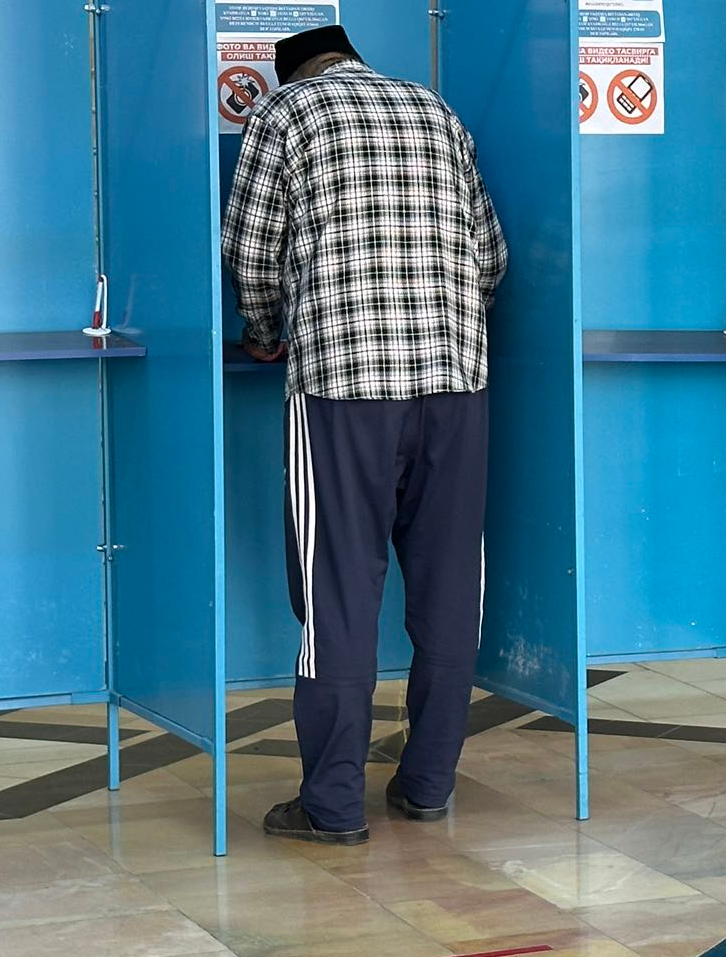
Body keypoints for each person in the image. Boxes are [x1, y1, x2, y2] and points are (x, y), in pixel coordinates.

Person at [220, 25, 507, 844]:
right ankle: (426, 785)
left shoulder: (284, 115)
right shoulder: (436, 110)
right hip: (457, 384)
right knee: (451, 587)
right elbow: (490, 254)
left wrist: (265, 328)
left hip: (343, 389)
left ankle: (333, 804)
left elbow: (250, 252)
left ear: (295, 69)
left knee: (338, 594)